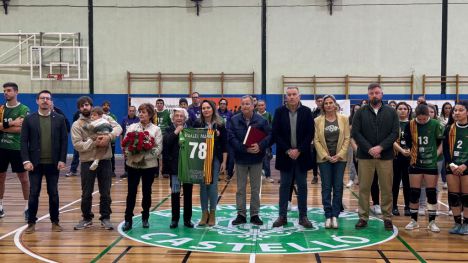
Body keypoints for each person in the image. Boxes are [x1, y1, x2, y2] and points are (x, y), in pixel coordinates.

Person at [352, 83, 399, 231]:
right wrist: (369, 149)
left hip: (385, 156)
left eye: (377, 93)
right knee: (364, 188)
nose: (374, 95)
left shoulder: (392, 112)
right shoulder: (360, 112)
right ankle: (363, 217)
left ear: (382, 94)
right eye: (371, 93)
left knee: (386, 188)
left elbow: (394, 133)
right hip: (365, 156)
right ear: (368, 95)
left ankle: (387, 218)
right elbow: (356, 133)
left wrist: (381, 147)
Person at [71, 96, 122, 230]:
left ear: (91, 105)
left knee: (105, 192)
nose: (85, 108)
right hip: (87, 162)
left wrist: (108, 137)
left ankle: (105, 218)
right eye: (82, 106)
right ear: (79, 109)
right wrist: (93, 142)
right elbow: (77, 145)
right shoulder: (77, 125)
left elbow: (118, 128)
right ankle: (86, 218)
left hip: (105, 161)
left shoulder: (105, 118)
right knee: (86, 193)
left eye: (87, 105)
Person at [20, 90, 68, 234]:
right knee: (34, 193)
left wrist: (62, 159)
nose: (45, 100)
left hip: (53, 164)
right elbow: (23, 141)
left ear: (51, 101)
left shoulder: (59, 119)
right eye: (42, 98)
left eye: (48, 98)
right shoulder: (29, 119)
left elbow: (64, 141)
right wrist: (26, 161)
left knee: (53, 193)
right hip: (34, 164)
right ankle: (31, 222)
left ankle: (55, 221)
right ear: (37, 101)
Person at [272, 87, 314, 228]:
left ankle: (303, 216)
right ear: (286, 97)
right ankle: (282, 216)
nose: (291, 97)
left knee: (302, 186)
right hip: (286, 156)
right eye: (289, 95)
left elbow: (310, 133)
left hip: (302, 156)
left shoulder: (307, 112)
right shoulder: (279, 112)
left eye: (294, 94)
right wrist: (289, 150)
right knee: (284, 186)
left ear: (299, 96)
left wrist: (299, 150)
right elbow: (276, 134)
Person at [229, 96, 271, 226]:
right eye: (243, 104)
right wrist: (244, 149)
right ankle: (241, 214)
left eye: (248, 104)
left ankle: (254, 214)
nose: (245, 106)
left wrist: (260, 146)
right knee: (240, 189)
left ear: (253, 106)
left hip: (256, 159)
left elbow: (270, 136)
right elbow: (231, 137)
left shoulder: (262, 120)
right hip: (240, 159)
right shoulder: (234, 120)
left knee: (255, 189)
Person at [404, 104, 444, 233]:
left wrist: (435, 156)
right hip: (415, 162)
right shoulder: (410, 124)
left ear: (429, 115)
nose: (421, 121)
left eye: (424, 119)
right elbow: (408, 142)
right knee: (414, 192)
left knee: (431, 192)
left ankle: (432, 222)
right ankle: (414, 221)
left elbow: (441, 143)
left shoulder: (435, 124)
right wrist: (408, 151)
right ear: (416, 116)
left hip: (430, 163)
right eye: (419, 119)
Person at [122, 103, 162, 231]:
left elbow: (158, 148)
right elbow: (126, 144)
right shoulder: (132, 127)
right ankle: (128, 219)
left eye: (144, 112)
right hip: (133, 165)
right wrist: (131, 154)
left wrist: (143, 156)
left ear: (150, 114)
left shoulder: (156, 129)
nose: (141, 114)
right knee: (131, 192)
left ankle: (145, 217)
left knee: (147, 192)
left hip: (149, 166)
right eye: (140, 112)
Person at [314, 95, 350, 229]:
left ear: (335, 105)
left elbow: (347, 138)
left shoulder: (344, 119)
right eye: (326, 103)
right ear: (323, 106)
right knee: (326, 187)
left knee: (338, 187)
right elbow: (316, 140)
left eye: (331, 103)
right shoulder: (318, 120)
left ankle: (335, 215)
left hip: (340, 159)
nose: (328, 105)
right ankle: (328, 215)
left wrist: (339, 155)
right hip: (324, 160)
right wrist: (325, 155)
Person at [194, 100, 227, 226]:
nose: (206, 110)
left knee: (212, 186)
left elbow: (225, 144)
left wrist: (224, 161)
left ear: (213, 109)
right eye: (203, 108)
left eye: (208, 108)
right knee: (203, 186)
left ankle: (212, 213)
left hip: (215, 158)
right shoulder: (197, 123)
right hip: (201, 159)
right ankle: (204, 213)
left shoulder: (220, 124)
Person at [0, 82, 30, 219]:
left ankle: (28, 206)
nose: (6, 93)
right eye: (4, 90)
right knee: (1, 178)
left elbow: (21, 129)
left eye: (9, 90)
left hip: (18, 149)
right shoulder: (1, 109)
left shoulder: (24, 109)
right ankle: (0, 205)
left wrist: (2, 126)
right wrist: (12, 123)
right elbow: (15, 126)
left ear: (16, 92)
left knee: (23, 178)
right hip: (2, 148)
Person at [163, 108, 194, 229]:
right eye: (177, 116)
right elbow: (166, 143)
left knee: (188, 193)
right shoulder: (169, 129)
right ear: (173, 118)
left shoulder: (190, 129)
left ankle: (187, 219)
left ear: (185, 118)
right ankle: (174, 219)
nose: (179, 118)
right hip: (174, 167)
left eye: (181, 116)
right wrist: (176, 131)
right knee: (175, 193)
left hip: (188, 166)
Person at [443, 100, 468, 234]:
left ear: (467, 112)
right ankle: (457, 223)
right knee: (453, 196)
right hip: (452, 166)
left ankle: (467, 224)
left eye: (460, 110)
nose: (456, 113)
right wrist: (452, 165)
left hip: (466, 166)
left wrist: (465, 165)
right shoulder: (449, 128)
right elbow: (446, 150)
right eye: (455, 110)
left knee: (466, 197)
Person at [392, 102, 412, 216]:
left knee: (407, 183)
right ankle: (394, 206)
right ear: (396, 110)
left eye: (405, 108)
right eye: (400, 108)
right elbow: (390, 139)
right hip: (396, 156)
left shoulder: (412, 124)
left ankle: (407, 206)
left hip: (409, 157)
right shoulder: (393, 124)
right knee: (395, 183)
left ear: (408, 111)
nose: (403, 110)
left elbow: (414, 140)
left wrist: (409, 150)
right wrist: (401, 150)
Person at [256, 99, 274, 183]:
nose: (260, 107)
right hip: (256, 141)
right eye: (259, 105)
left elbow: (272, 129)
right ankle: (258, 175)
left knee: (266, 159)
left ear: (265, 106)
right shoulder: (254, 115)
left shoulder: (269, 116)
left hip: (266, 142)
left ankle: (268, 176)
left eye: (262, 105)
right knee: (256, 159)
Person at [120, 106, 140, 178]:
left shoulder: (138, 120)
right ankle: (126, 171)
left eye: (133, 111)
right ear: (128, 111)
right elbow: (121, 133)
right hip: (126, 142)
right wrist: (121, 144)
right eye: (130, 110)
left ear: (135, 111)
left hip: (136, 141)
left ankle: (137, 171)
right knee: (126, 157)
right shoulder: (124, 119)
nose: (131, 112)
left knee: (136, 156)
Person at [154, 98, 171, 178]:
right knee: (155, 153)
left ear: (163, 105)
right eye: (158, 103)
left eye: (161, 103)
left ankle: (165, 171)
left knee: (165, 154)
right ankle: (155, 172)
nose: (159, 104)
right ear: (156, 105)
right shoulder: (153, 113)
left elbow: (170, 124)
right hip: (156, 136)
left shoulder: (167, 113)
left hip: (165, 136)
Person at [218, 98, 234, 180]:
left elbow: (233, 125)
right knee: (218, 157)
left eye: (224, 103)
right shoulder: (215, 113)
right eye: (221, 103)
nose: (222, 105)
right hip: (218, 139)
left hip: (228, 138)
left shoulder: (230, 114)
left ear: (226, 105)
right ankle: (216, 174)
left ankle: (229, 174)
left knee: (231, 157)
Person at [346, 104, 361, 188]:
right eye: (356, 109)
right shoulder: (349, 119)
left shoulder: (364, 118)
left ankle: (360, 178)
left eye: (359, 109)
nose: (357, 110)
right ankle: (351, 179)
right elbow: (347, 130)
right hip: (352, 143)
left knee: (361, 162)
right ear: (353, 110)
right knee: (352, 162)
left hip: (362, 144)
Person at [102, 101, 117, 177]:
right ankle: (100, 171)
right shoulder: (99, 116)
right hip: (101, 139)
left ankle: (112, 171)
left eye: (107, 105)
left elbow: (115, 127)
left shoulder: (113, 116)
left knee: (111, 156)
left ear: (110, 107)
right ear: (102, 107)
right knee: (100, 155)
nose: (106, 106)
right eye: (104, 105)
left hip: (110, 139)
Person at [311, 95, 323, 184]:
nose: (320, 102)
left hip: (326, 141)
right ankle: (315, 176)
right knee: (314, 159)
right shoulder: (313, 113)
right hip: (315, 140)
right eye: (318, 101)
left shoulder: (328, 112)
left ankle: (325, 176)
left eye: (321, 101)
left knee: (324, 159)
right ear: (316, 102)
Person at [66, 110, 81, 177]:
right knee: (76, 155)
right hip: (79, 138)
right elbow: (74, 124)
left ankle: (92, 172)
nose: (84, 107)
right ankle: (73, 170)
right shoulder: (77, 113)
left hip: (88, 138)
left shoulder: (91, 114)